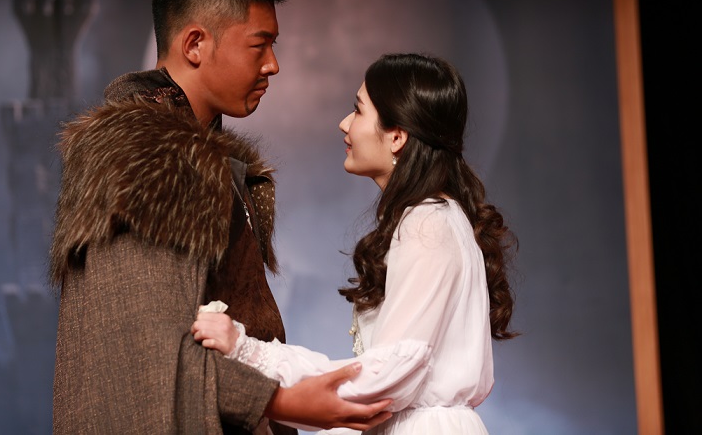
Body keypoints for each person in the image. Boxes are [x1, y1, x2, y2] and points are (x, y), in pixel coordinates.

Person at [48, 0, 392, 435]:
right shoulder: (144, 157)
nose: (273, 65)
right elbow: (146, 347)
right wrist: (282, 401)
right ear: (195, 45)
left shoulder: (198, 158)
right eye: (259, 45)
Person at [192, 53, 519, 434]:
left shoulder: (427, 223)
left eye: (359, 110)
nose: (345, 123)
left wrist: (248, 351)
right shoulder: (435, 217)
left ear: (397, 136)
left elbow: (385, 379)